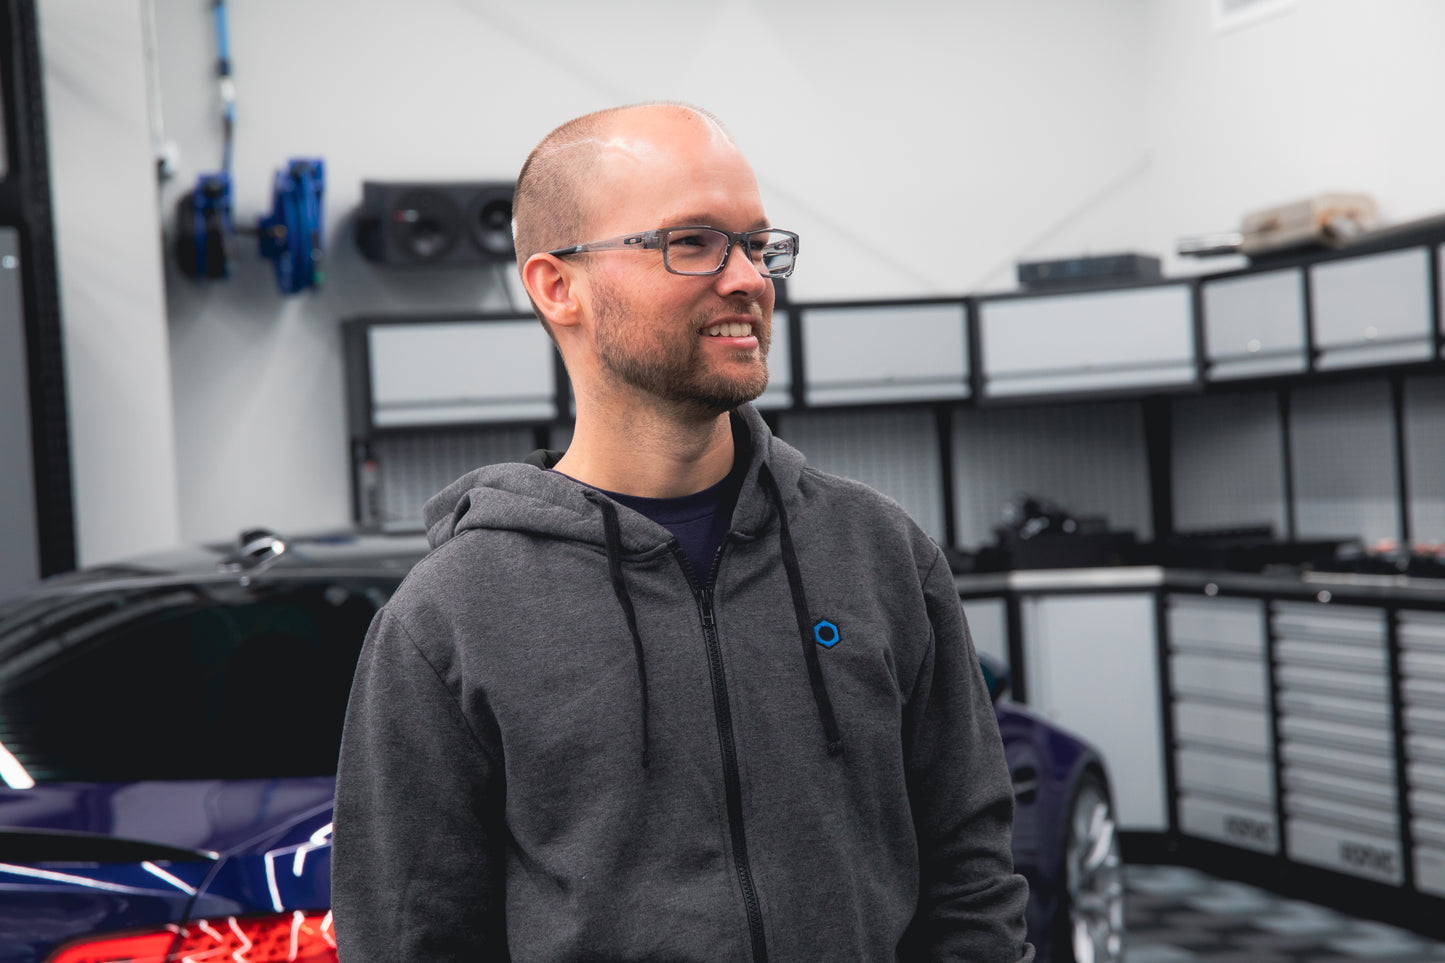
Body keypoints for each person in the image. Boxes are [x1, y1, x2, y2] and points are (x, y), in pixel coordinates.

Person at [332, 102, 1034, 962]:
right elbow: (412, 936)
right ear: (557, 287)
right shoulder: (451, 617)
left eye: (757, 245)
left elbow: (970, 874)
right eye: (692, 242)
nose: (748, 279)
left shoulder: (878, 553)